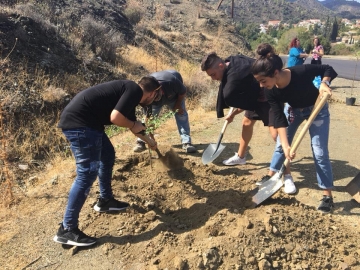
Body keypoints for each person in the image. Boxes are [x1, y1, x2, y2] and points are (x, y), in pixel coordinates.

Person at [53, 77, 161, 246]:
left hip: (89, 124)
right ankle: (67, 229)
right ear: (153, 92)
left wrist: (151, 143)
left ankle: (105, 200)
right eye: (155, 97)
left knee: (108, 155)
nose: (153, 100)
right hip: (81, 125)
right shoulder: (134, 90)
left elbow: (134, 128)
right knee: (87, 173)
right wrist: (133, 124)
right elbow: (116, 118)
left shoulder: (130, 96)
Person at [251, 43, 338, 213]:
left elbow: (327, 68)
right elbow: (279, 118)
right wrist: (285, 145)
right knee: (280, 146)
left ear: (275, 73)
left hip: (316, 109)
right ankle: (271, 177)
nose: (261, 85)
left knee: (319, 151)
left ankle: (327, 195)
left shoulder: (301, 72)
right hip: (292, 110)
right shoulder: (270, 91)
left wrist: (324, 83)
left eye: (263, 81)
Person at [200, 52, 277, 167]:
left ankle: (285, 154)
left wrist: (234, 113)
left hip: (265, 96)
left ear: (221, 66)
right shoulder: (230, 61)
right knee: (246, 123)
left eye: (213, 74)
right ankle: (240, 157)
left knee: (275, 131)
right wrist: (233, 114)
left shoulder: (235, 77)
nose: (213, 78)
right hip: (253, 93)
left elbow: (244, 103)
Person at [133, 70, 196, 153]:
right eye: (153, 98)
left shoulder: (171, 81)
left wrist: (178, 104)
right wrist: (151, 139)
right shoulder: (146, 95)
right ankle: (141, 141)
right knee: (146, 120)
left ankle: (186, 142)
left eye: (157, 96)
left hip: (174, 97)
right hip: (154, 100)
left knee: (181, 114)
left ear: (159, 90)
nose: (156, 99)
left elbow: (183, 92)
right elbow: (148, 119)